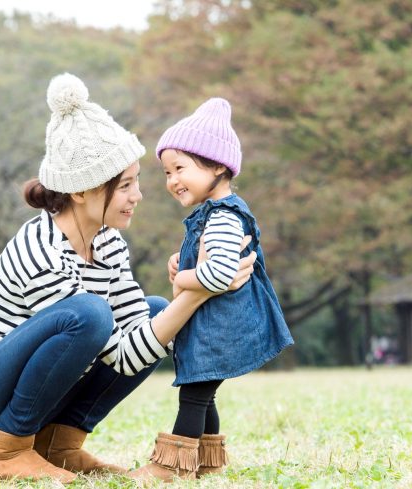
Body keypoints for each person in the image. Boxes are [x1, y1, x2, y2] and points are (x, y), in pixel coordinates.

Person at [0, 74, 257, 484]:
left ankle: (59, 445)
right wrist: (199, 290)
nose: (137, 196)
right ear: (81, 191)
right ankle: (5, 451)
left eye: (136, 182)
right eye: (125, 186)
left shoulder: (109, 243)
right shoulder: (43, 252)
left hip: (17, 392)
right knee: (90, 313)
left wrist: (188, 291)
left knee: (154, 311)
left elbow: (129, 350)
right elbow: (111, 344)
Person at [130, 98, 295, 481]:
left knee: (194, 394)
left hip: (217, 329)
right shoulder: (216, 213)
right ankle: (208, 461)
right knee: (203, 394)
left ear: (218, 166)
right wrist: (182, 261)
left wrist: (182, 279)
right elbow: (212, 262)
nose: (172, 180)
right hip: (213, 326)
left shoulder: (223, 217)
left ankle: (171, 467)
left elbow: (219, 275)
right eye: (167, 172)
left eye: (180, 168)